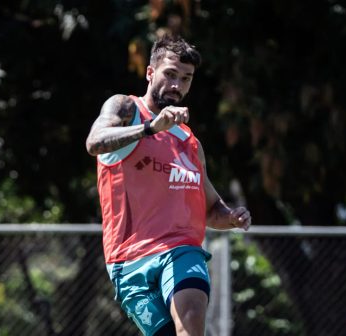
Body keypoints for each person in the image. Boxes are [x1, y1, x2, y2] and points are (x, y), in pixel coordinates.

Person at [85, 35, 251, 336]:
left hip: (181, 250)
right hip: (127, 263)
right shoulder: (126, 109)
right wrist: (150, 128)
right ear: (150, 73)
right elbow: (94, 142)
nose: (177, 85)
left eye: (186, 79)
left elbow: (211, 207)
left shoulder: (190, 142)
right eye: (170, 74)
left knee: (190, 321)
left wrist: (231, 216)